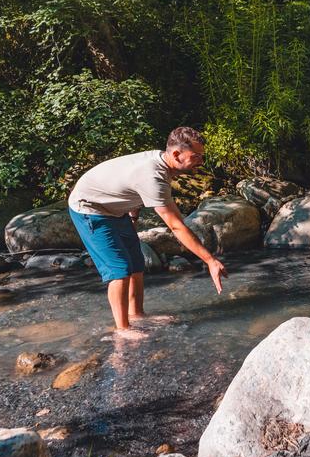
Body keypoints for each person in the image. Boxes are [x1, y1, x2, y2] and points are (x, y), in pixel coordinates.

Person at [68, 126, 227, 339]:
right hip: (90, 209)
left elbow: (132, 188)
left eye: (202, 156)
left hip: (116, 209)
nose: (201, 161)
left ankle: (137, 315)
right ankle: (122, 329)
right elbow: (176, 226)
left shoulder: (162, 163)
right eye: (196, 156)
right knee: (119, 269)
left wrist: (132, 218)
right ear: (177, 154)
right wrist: (210, 260)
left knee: (136, 262)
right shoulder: (153, 176)